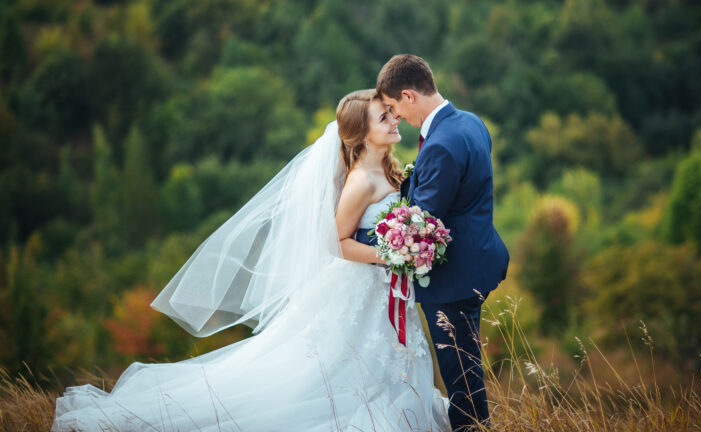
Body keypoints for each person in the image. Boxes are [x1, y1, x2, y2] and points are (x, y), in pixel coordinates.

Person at [52, 89, 449, 431]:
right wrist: (390, 255)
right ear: (362, 133)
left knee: (382, 366)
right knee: (327, 374)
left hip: (385, 291)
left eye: (392, 113)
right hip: (364, 289)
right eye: (385, 116)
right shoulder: (361, 180)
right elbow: (335, 242)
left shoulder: (386, 169)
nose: (395, 119)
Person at [376, 54, 509, 431]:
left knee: (462, 388)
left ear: (407, 95)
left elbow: (418, 227)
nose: (395, 116)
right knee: (468, 374)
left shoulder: (440, 145)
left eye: (393, 107)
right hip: (479, 261)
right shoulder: (471, 122)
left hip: (451, 282)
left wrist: (362, 237)